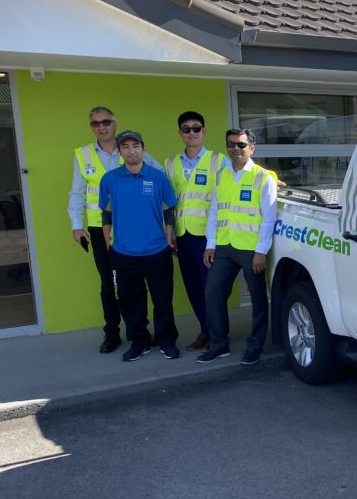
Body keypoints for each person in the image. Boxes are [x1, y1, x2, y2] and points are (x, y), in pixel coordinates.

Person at [68, 106, 159, 353]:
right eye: (95, 123)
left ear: (115, 123)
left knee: (134, 282)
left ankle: (139, 331)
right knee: (109, 284)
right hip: (100, 229)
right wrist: (76, 226)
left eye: (106, 121)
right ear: (91, 127)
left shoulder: (130, 148)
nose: (101, 126)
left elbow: (158, 176)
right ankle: (112, 333)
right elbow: (77, 193)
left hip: (132, 227)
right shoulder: (83, 155)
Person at [98, 131, 180, 362]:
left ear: (143, 148)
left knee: (163, 300)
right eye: (125, 146)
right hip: (123, 253)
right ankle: (140, 342)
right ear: (119, 151)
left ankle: (166, 340)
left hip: (157, 251)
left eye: (135, 146)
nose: (131, 151)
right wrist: (109, 244)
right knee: (130, 301)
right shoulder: (109, 179)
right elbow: (106, 214)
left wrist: (168, 239)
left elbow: (169, 211)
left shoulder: (158, 177)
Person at [197, 128, 277, 365]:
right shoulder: (221, 175)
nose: (236, 149)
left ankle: (255, 345)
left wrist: (261, 251)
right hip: (224, 247)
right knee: (212, 293)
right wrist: (210, 244)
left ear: (251, 148)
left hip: (251, 250)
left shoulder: (263, 177)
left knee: (258, 300)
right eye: (231, 144)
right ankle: (219, 344)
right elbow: (214, 211)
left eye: (241, 144)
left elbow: (269, 218)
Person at [164, 111, 227, 352]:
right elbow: (169, 203)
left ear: (204, 131)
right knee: (193, 287)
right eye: (186, 129)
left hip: (209, 238)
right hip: (183, 236)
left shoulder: (218, 161)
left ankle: (219, 336)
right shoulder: (171, 163)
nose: (192, 132)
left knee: (212, 289)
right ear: (180, 133)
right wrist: (170, 234)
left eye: (196, 128)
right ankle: (206, 331)